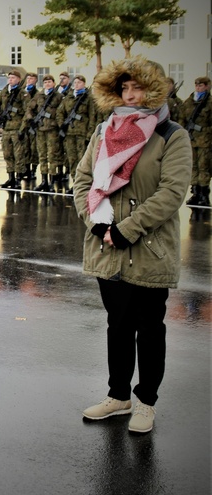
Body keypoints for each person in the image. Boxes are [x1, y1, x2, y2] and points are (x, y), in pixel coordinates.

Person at [74, 56, 191, 434]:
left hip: (148, 247)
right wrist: (97, 223)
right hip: (107, 246)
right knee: (118, 324)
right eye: (124, 88)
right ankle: (118, 395)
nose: (130, 94)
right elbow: (82, 182)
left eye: (137, 87)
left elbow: (172, 192)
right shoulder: (103, 131)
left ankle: (146, 402)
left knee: (149, 327)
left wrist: (128, 228)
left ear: (154, 89)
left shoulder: (172, 135)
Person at [56, 75, 96, 193]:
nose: (77, 85)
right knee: (72, 159)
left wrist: (89, 135)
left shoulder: (88, 98)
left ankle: (85, 185)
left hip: (82, 134)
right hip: (69, 134)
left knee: (82, 160)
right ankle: (75, 183)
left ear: (84, 84)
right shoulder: (68, 97)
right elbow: (60, 112)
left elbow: (92, 117)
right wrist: (62, 125)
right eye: (75, 83)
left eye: (79, 83)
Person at [26, 74, 62, 192]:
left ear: (54, 83)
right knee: (42, 155)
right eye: (45, 82)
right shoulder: (39, 95)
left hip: (52, 130)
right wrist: (31, 118)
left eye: (49, 82)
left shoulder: (58, 96)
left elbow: (62, 112)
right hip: (40, 129)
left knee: (52, 156)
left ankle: (52, 182)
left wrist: (58, 123)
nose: (47, 84)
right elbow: (30, 108)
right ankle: (44, 181)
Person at [0, 69, 30, 189]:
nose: (11, 80)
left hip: (17, 128)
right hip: (6, 128)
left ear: (19, 80)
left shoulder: (22, 93)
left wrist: (23, 128)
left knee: (18, 154)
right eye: (9, 78)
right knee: (7, 153)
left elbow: (27, 112)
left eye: (13, 78)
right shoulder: (5, 91)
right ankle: (10, 178)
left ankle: (18, 178)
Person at [179, 76, 211, 206]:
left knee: (204, 167)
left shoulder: (210, 102)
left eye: (201, 85)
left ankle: (204, 194)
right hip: (191, 140)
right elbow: (182, 118)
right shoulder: (189, 101)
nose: (198, 87)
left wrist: (204, 130)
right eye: (197, 85)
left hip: (205, 141)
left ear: (207, 86)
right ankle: (195, 193)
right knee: (193, 167)